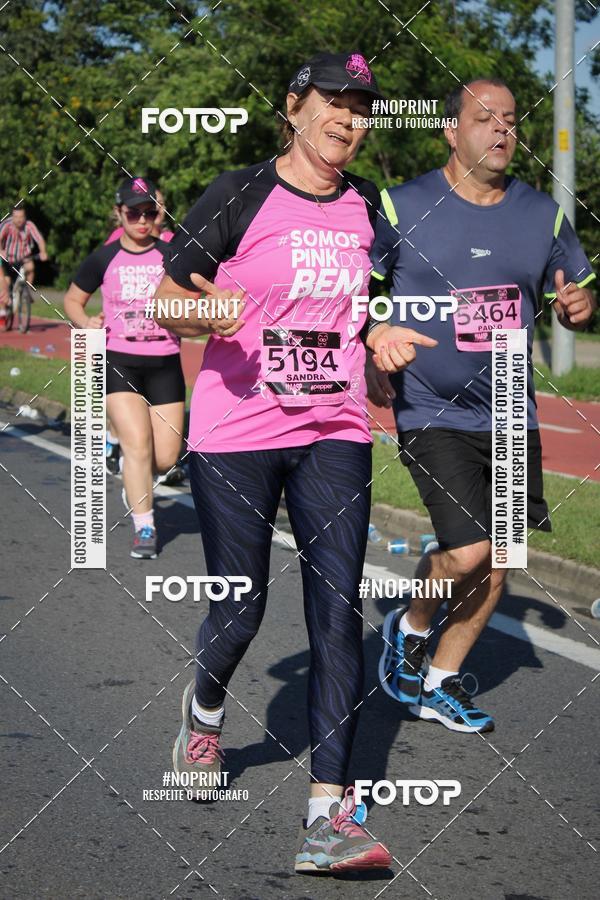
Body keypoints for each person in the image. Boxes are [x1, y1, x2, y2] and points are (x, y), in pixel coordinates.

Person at [155, 51, 435, 874]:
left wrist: (380, 337)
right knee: (240, 610)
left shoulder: (368, 209)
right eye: (334, 102)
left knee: (337, 613)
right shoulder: (239, 192)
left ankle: (326, 819)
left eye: (362, 107)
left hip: (333, 427)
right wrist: (206, 309)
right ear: (294, 106)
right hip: (237, 430)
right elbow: (165, 297)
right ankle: (205, 715)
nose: (348, 118)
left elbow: (373, 308)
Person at [368, 78, 596, 734]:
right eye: (485, 117)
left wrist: (578, 308)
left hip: (510, 409)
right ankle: (410, 627)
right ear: (450, 129)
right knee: (470, 551)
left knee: (500, 561)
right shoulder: (401, 205)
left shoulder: (542, 215)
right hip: (431, 407)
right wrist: (373, 342)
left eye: (511, 119)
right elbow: (360, 293)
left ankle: (439, 681)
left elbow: (575, 297)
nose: (501, 129)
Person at [64, 177, 185, 559]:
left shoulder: (172, 253)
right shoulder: (104, 257)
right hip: (119, 361)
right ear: (119, 213)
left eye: (149, 212)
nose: (142, 220)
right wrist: (85, 323)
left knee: (165, 458)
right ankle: (144, 525)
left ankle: (135, 485)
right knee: (136, 445)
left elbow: (198, 288)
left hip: (165, 361)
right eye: (134, 213)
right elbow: (72, 299)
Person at [0, 205, 48, 310]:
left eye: (21, 217)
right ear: (12, 217)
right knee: (6, 282)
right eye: (16, 217)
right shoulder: (6, 225)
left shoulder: (29, 225)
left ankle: (27, 293)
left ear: (25, 217)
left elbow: (39, 239)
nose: (19, 220)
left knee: (30, 267)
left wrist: (43, 252)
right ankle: (4, 308)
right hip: (7, 260)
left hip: (23, 259)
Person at [105, 187, 175, 244]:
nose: (157, 208)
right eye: (152, 204)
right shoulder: (121, 235)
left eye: (161, 204)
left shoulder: (170, 238)